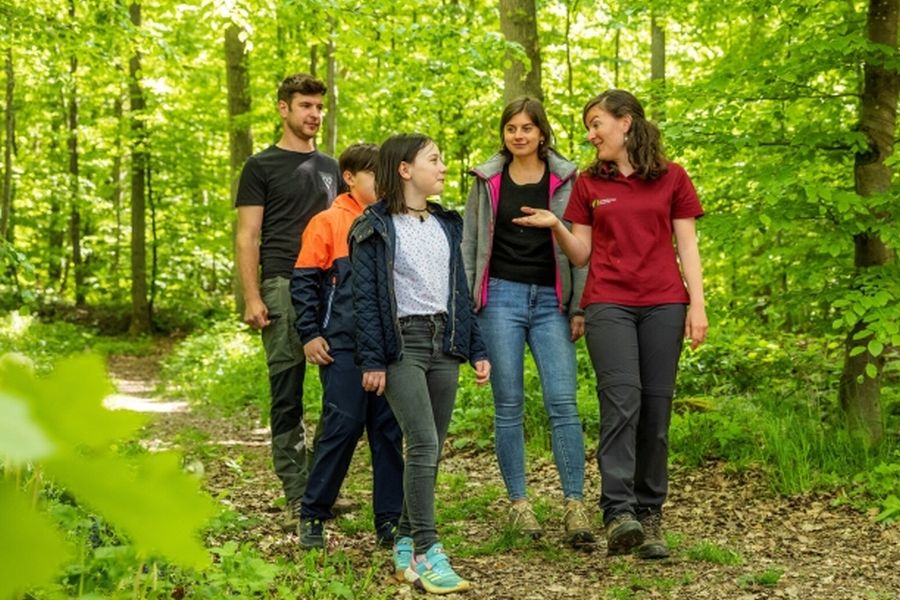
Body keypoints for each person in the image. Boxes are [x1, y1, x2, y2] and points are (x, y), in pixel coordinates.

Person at [513, 89, 707, 559]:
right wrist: (556, 225)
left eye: (597, 123)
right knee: (622, 403)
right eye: (588, 125)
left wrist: (697, 306)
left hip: (664, 303)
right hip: (609, 304)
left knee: (656, 412)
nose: (591, 133)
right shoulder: (587, 184)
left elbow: (688, 247)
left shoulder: (673, 178)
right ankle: (618, 511)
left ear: (626, 123)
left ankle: (649, 513)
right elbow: (581, 253)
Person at [349, 133, 491, 594]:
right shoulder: (373, 226)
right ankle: (431, 550)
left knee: (431, 449)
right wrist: (372, 359)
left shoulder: (447, 223)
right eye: (435, 160)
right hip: (402, 346)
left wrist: (477, 347)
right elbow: (365, 300)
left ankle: (406, 544)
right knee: (424, 443)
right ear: (406, 170)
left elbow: (460, 293)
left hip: (444, 344)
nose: (444, 167)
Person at [461, 97, 593, 548]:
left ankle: (575, 506)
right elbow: (470, 244)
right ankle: (520, 505)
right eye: (511, 128)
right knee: (508, 405)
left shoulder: (566, 178)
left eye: (527, 128)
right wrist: (468, 307)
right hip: (499, 297)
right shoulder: (486, 180)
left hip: (551, 303)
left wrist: (579, 307)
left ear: (542, 133)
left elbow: (581, 245)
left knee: (563, 403)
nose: (518, 135)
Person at [234, 73, 344, 532]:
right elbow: (248, 235)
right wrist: (253, 296)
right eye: (305, 106)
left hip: (329, 289)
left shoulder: (332, 167)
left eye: (319, 107)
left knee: (341, 393)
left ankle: (320, 489)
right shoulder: (260, 166)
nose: (314, 115)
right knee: (287, 392)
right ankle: (298, 493)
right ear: (283, 108)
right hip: (280, 285)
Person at [291, 143, 404, 551]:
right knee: (342, 426)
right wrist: (309, 333)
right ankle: (313, 514)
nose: (382, 181)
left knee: (388, 431)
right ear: (350, 178)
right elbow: (303, 282)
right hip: (341, 345)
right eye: (374, 173)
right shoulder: (327, 222)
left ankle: (390, 521)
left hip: (390, 348)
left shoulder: (395, 220)